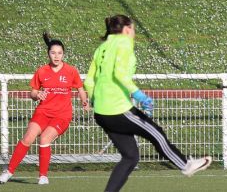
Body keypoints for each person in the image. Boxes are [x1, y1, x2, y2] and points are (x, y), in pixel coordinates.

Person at [84, 14, 212, 192]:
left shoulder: (102, 47)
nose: (134, 33)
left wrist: (97, 100)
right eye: (133, 29)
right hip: (118, 110)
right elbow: (119, 73)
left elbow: (89, 81)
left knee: (130, 157)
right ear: (127, 29)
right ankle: (185, 165)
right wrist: (140, 95)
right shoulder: (124, 42)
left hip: (101, 113)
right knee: (156, 133)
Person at [0, 32, 89, 185]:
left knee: (45, 138)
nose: (56, 56)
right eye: (53, 52)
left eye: (59, 53)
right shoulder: (42, 71)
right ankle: (9, 171)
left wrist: (84, 101)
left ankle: (43, 176)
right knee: (28, 137)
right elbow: (32, 92)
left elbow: (80, 88)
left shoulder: (71, 71)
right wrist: (37, 94)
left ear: (63, 54)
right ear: (48, 54)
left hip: (62, 115)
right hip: (43, 112)